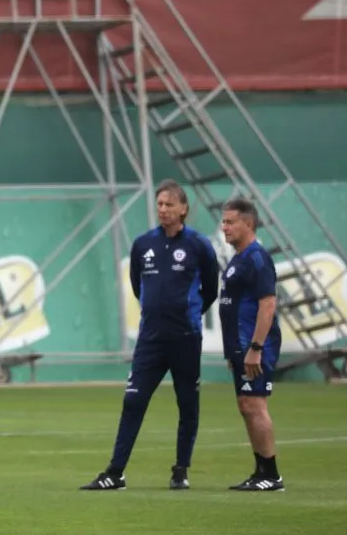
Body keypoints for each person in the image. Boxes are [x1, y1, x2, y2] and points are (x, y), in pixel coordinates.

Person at [81, 179, 220, 491]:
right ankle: (115, 473)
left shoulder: (199, 245)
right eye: (159, 204)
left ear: (184, 209)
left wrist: (190, 312)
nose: (163, 209)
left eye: (170, 204)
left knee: (187, 404)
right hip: (151, 340)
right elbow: (136, 284)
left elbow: (211, 287)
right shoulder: (144, 244)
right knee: (133, 401)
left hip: (185, 338)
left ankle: (181, 470)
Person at [218, 197, 284, 491]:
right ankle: (261, 470)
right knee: (246, 405)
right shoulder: (239, 258)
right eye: (223, 222)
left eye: (230, 222)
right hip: (241, 347)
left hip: (255, 346)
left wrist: (255, 349)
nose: (224, 227)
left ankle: (271, 475)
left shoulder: (257, 258)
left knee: (255, 405)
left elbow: (267, 305)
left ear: (248, 223)